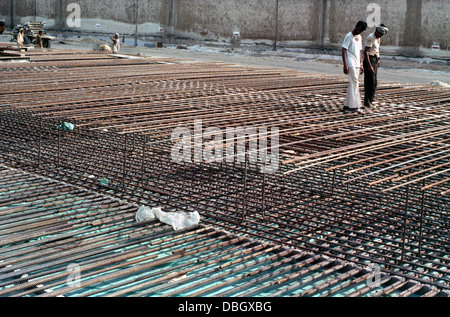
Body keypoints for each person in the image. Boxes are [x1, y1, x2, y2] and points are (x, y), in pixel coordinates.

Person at [342, 21, 368, 113]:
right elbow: (344, 50)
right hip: (351, 62)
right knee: (354, 83)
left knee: (352, 84)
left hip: (357, 63)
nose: (359, 31)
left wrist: (361, 64)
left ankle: (346, 105)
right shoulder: (348, 36)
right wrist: (345, 64)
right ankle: (354, 106)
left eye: (361, 30)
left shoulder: (359, 37)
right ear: (356, 26)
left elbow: (360, 51)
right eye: (358, 28)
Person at [363, 24, 389, 108]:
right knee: (369, 81)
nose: (379, 35)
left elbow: (376, 50)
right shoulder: (370, 37)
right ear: (376, 30)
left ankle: (371, 99)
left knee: (374, 82)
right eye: (379, 33)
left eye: (381, 34)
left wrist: (378, 60)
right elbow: (365, 52)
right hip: (369, 59)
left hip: (374, 59)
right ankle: (366, 101)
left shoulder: (378, 38)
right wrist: (369, 65)